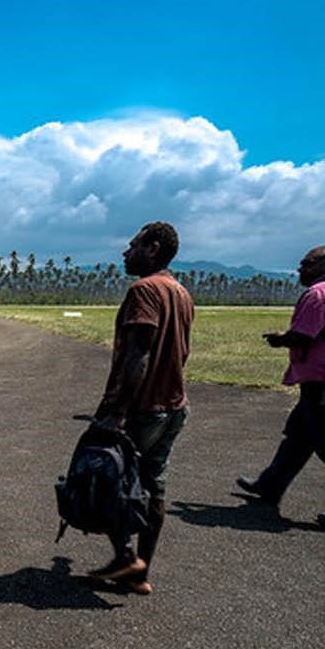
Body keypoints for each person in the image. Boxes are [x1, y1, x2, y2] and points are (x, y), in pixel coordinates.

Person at [236, 245, 325, 534]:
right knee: (299, 435)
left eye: (307, 263)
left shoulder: (321, 292)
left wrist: (279, 339)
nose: (301, 268)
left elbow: (303, 335)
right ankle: (270, 486)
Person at [88, 221, 195, 595]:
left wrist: (117, 410)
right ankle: (140, 572)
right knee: (153, 485)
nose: (125, 252)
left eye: (132, 245)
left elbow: (139, 355)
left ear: (151, 248)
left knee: (110, 481)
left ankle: (125, 556)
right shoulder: (180, 292)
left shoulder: (144, 290)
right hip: (174, 406)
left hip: (143, 408)